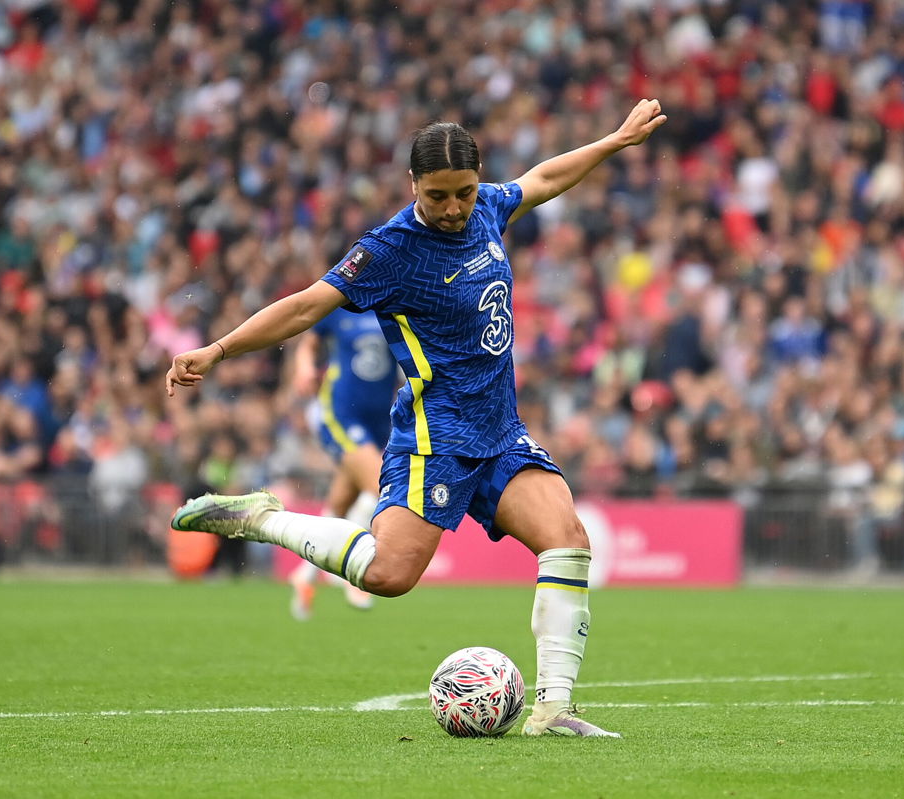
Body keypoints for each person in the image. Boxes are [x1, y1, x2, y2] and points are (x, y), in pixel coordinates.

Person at [166, 99, 668, 738]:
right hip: (436, 438)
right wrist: (219, 348)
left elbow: (541, 180)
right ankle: (260, 517)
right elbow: (303, 308)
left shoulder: (487, 205)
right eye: (438, 197)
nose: (454, 208)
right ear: (413, 187)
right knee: (389, 575)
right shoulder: (390, 251)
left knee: (567, 541)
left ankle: (553, 711)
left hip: (500, 431)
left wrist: (614, 140)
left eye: (462, 192)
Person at [288, 308, 398, 618]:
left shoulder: (396, 302)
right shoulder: (340, 304)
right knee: (382, 484)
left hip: (381, 418)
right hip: (341, 411)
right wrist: (305, 367)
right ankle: (353, 567)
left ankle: (305, 574)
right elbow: (309, 341)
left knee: (343, 499)